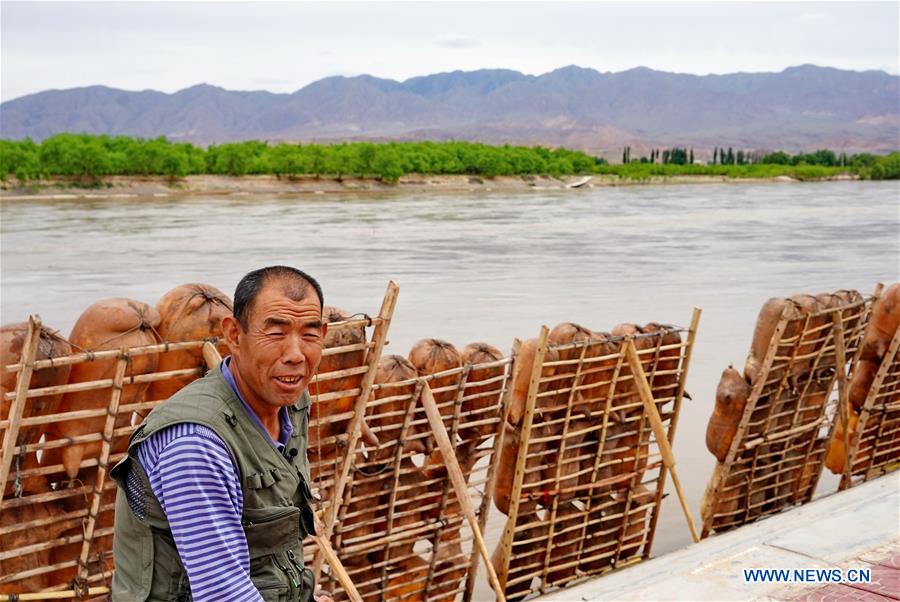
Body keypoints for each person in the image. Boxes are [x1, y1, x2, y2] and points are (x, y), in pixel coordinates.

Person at [111, 266, 329, 601]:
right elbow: (222, 592)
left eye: (310, 334)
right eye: (275, 333)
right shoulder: (196, 444)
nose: (296, 354)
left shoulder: (291, 402)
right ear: (234, 335)